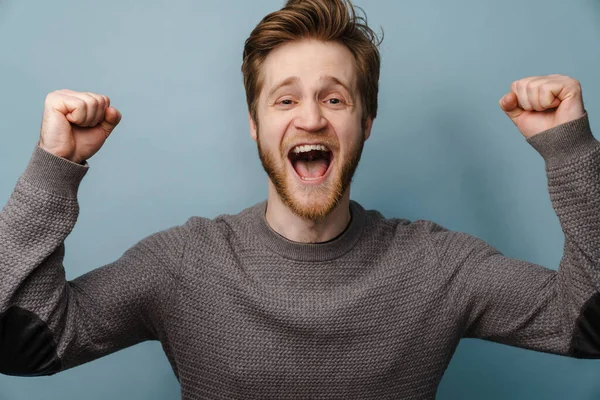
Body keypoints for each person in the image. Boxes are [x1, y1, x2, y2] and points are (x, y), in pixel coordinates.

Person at [0, 0, 598, 398]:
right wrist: (55, 170)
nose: (310, 118)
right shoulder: (182, 264)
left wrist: (571, 151)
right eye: (285, 100)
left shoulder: (438, 267)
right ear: (255, 125)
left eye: (334, 99)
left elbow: (589, 326)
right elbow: (21, 345)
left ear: (366, 122)